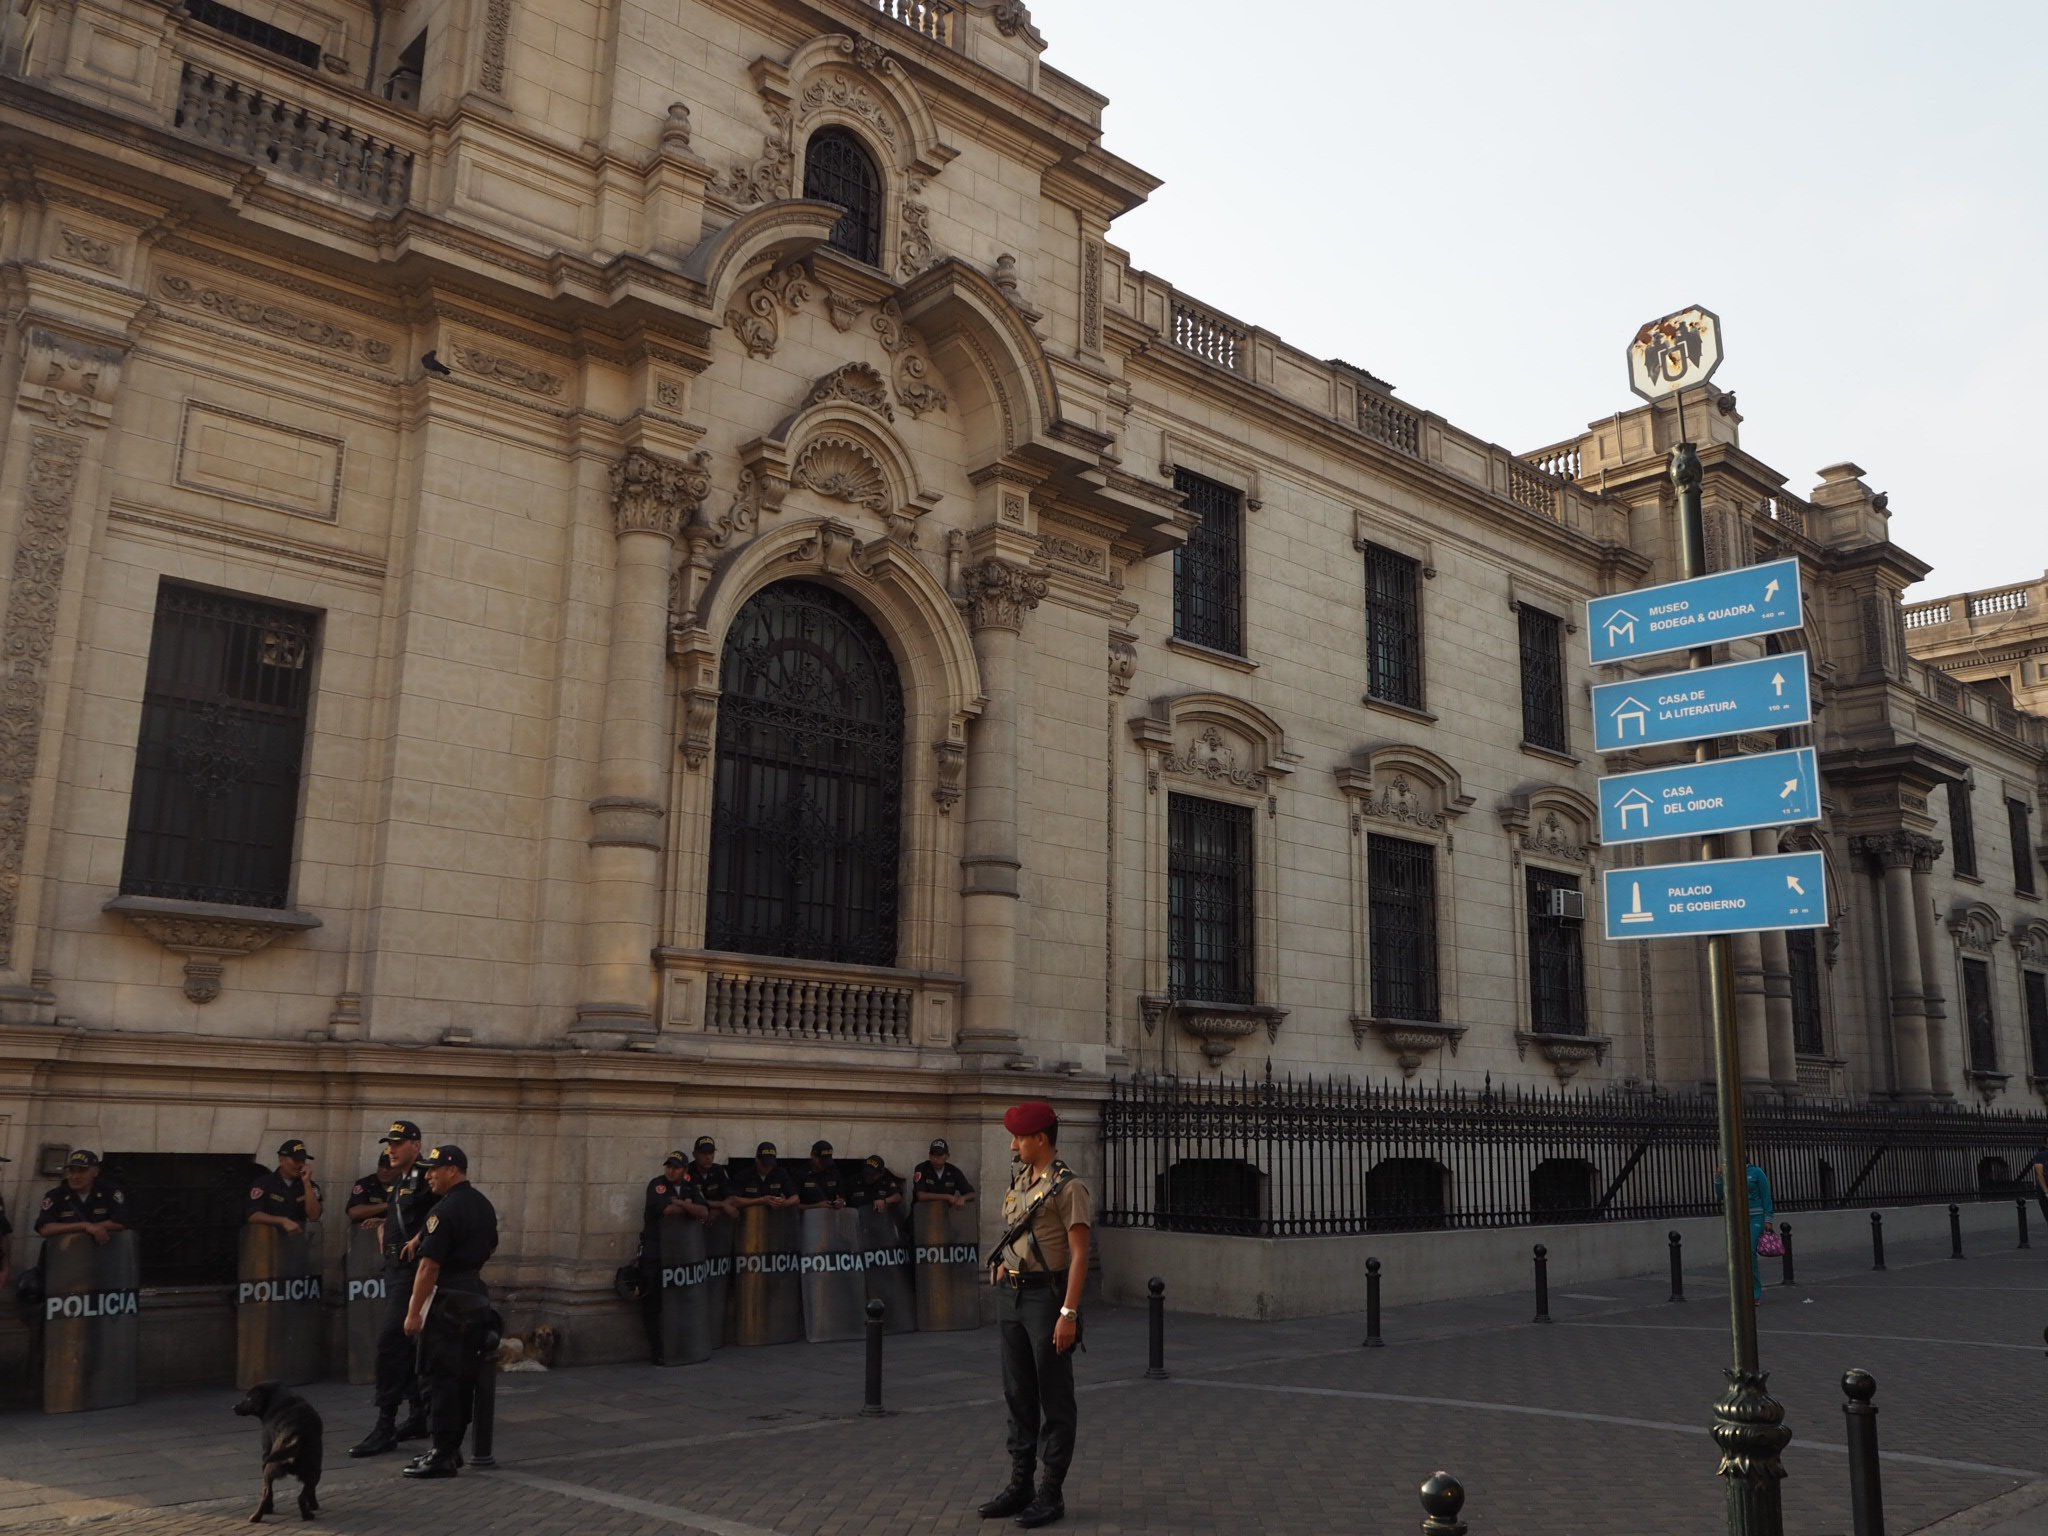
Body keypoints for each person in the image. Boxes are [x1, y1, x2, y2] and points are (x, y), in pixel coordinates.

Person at [980, 1101, 1092, 1530]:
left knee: (1054, 1397)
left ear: (1040, 1139)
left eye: (1020, 1137)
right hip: (1011, 1296)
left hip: (1047, 1300)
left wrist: (1069, 1312)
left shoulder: (1068, 1187)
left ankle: (1051, 1492)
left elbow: (1080, 1255)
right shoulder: (1022, 1178)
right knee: (1017, 1392)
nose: (1014, 1145)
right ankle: (1021, 1484)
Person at [400, 1144, 498, 1480]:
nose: (428, 1175)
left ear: (452, 1170)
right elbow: (490, 1245)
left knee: (437, 1377)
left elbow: (429, 1267)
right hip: (475, 1294)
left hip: (447, 1300)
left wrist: (413, 1312)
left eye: (434, 1169)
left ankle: (442, 1453)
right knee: (463, 1377)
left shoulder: (443, 1210)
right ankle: (448, 1448)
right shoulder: (482, 1204)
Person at [350, 1120, 437, 1459]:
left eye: (398, 1143)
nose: (391, 1150)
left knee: (390, 1343)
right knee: (409, 1346)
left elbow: (441, 1216)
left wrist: (419, 1239)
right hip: (396, 1270)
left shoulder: (428, 1176)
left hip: (414, 1272)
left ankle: (385, 1424)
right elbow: (408, 1216)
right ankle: (418, 1414)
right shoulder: (400, 1179)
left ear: (416, 1145)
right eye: (389, 1144)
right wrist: (386, 1226)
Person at [639, 1151, 699, 1357]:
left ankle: (681, 1347)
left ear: (685, 1170)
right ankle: (658, 1350)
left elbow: (704, 1211)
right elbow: (667, 1211)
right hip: (656, 1253)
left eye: (676, 1168)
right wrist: (690, 1207)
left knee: (682, 1302)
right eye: (669, 1167)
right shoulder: (657, 1185)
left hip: (682, 1256)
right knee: (653, 1304)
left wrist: (681, 1203)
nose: (671, 1171)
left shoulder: (690, 1186)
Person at [33, 1150, 129, 1244]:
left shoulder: (109, 1192)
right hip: (65, 1252)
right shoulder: (56, 1195)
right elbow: (45, 1228)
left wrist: (80, 1234)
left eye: (81, 1171)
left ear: (95, 1172)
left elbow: (121, 1222)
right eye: (72, 1171)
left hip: (102, 1251)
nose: (75, 1176)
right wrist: (85, 1226)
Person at [1714, 1158, 1775, 1303]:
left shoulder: (1756, 1172)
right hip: (1737, 1217)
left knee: (1750, 1251)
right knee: (1737, 1254)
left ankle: (1755, 1292)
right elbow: (1721, 1195)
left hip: (1756, 1216)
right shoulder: (1731, 1174)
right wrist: (1718, 1178)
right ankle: (1740, 1290)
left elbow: (1766, 1195)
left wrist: (1768, 1219)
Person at [247, 1140, 322, 1234]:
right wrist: (282, 1221)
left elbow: (313, 1216)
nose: (301, 1165)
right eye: (296, 1160)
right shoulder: (264, 1183)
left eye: (303, 1161)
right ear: (282, 1160)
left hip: (297, 1239)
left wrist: (307, 1183)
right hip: (270, 1239)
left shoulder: (309, 1186)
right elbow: (253, 1216)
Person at [731, 1142, 798, 1209]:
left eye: (770, 1165)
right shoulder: (744, 1175)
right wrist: (761, 1201)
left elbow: (795, 1198)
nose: (768, 1168)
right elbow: (733, 1200)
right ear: (757, 1159)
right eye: (765, 1165)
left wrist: (785, 1203)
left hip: (774, 1213)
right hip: (751, 1213)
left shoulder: (780, 1173)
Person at [686, 1136, 739, 1219]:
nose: (708, 1157)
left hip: (717, 1216)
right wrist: (721, 1205)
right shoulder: (687, 1172)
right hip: (693, 1217)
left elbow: (730, 1196)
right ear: (695, 1154)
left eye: (711, 1153)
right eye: (704, 1153)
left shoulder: (719, 1170)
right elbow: (692, 1201)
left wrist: (718, 1210)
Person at [913, 1139, 975, 1209]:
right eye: (933, 1155)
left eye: (940, 1155)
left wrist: (963, 1198)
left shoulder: (953, 1171)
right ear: (929, 1155)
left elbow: (972, 1194)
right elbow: (921, 1196)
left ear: (947, 1156)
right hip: (923, 1212)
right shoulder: (922, 1168)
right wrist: (947, 1197)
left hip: (945, 1213)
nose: (936, 1159)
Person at [345, 1153, 399, 1226]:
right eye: (381, 1166)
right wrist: (390, 1205)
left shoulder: (407, 1185)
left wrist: (384, 1221)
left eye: (390, 1167)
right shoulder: (366, 1183)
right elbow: (354, 1213)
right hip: (366, 1230)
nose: (384, 1170)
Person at [796, 1141, 846, 1209]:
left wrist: (840, 1202)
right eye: (822, 1161)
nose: (824, 1165)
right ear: (813, 1155)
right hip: (808, 1214)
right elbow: (794, 1205)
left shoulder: (834, 1173)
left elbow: (842, 1197)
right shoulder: (801, 1173)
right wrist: (816, 1206)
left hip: (830, 1213)